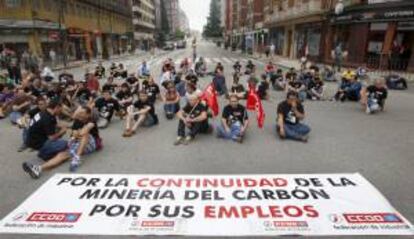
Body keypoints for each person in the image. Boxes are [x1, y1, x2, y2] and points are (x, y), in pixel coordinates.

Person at [22, 100, 68, 179]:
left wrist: (68, 126)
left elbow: (56, 124)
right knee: (66, 145)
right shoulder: (47, 118)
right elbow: (52, 137)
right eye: (61, 109)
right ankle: (45, 153)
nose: (62, 111)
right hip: (39, 143)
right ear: (56, 107)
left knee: (61, 149)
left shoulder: (45, 113)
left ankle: (46, 154)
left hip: (32, 140)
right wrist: (62, 132)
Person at [68, 106, 102, 172]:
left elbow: (83, 132)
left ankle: (77, 158)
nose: (80, 114)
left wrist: (77, 133)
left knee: (85, 134)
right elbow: (74, 133)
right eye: (80, 113)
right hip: (79, 141)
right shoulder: (77, 120)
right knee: (70, 142)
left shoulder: (92, 121)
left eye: (82, 113)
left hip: (92, 143)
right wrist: (76, 134)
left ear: (88, 114)